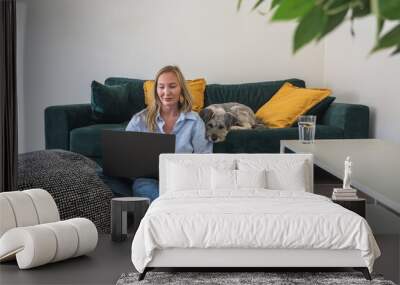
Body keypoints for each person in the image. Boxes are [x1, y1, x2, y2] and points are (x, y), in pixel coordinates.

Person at [125, 65, 212, 201]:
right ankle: (176, 205)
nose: (166, 92)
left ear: (181, 89)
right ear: (156, 90)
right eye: (161, 87)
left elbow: (205, 159)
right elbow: (126, 159)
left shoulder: (194, 121)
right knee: (141, 186)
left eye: (172, 86)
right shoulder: (139, 120)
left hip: (183, 180)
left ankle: (174, 206)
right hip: (149, 181)